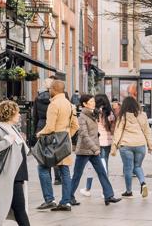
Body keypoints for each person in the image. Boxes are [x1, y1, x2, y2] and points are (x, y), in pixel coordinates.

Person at [69, 95, 121, 206]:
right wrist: (95, 148)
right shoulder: (82, 116)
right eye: (91, 101)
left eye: (93, 100)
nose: (93, 102)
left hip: (93, 150)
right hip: (84, 151)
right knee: (77, 175)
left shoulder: (93, 114)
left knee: (102, 172)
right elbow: (84, 134)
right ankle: (69, 197)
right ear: (84, 104)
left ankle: (108, 195)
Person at [36, 80, 79, 212]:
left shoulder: (53, 104)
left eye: (50, 89)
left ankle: (49, 200)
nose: (49, 91)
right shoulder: (70, 104)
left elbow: (49, 127)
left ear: (54, 89)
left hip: (53, 142)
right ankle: (66, 202)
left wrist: (39, 134)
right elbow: (75, 126)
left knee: (42, 167)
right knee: (64, 171)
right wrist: (66, 136)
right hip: (65, 141)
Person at [111, 96, 152, 197]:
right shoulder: (142, 115)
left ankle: (129, 191)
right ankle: (143, 183)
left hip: (126, 145)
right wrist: (151, 146)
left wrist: (114, 147)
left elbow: (118, 132)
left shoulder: (122, 116)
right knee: (137, 166)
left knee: (128, 168)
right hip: (140, 145)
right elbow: (147, 132)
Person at [79, 94, 116, 197]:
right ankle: (106, 191)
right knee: (104, 165)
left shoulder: (94, 113)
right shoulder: (110, 113)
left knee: (91, 166)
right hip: (107, 142)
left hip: (96, 141)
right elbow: (113, 128)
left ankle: (87, 188)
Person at [32, 76, 62, 186]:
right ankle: (58, 178)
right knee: (55, 153)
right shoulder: (56, 99)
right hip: (54, 126)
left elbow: (35, 116)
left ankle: (47, 177)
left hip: (41, 126)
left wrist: (35, 129)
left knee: (45, 153)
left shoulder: (37, 98)